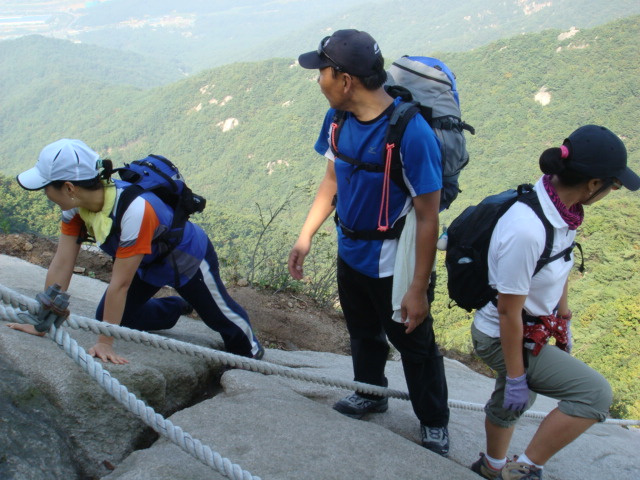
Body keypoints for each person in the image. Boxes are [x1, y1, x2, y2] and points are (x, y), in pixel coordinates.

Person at [288, 29, 450, 456]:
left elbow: (429, 217)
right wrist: (306, 236)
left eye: (321, 72)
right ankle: (371, 393)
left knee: (415, 344)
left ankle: (433, 421)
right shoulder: (337, 120)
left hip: (394, 261)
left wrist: (418, 289)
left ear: (345, 79)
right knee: (362, 331)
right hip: (351, 250)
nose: (317, 80)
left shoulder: (411, 133)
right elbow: (331, 181)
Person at [470, 125, 640, 479]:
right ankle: (524, 469)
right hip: (501, 332)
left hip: (531, 325)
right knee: (594, 395)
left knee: (518, 399)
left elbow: (557, 261)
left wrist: (563, 316)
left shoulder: (561, 205)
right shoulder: (528, 229)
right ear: (594, 184)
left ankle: (493, 466)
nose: (615, 189)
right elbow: (507, 310)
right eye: (614, 183)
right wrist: (517, 375)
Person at [9, 138, 263, 364]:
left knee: (219, 317)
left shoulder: (135, 210)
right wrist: (43, 321)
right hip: (146, 261)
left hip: (188, 259)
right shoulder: (75, 208)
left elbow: (120, 283)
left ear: (68, 187)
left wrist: (104, 343)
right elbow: (63, 262)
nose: (44, 193)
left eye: (46, 187)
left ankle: (251, 352)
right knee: (112, 317)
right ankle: (177, 307)